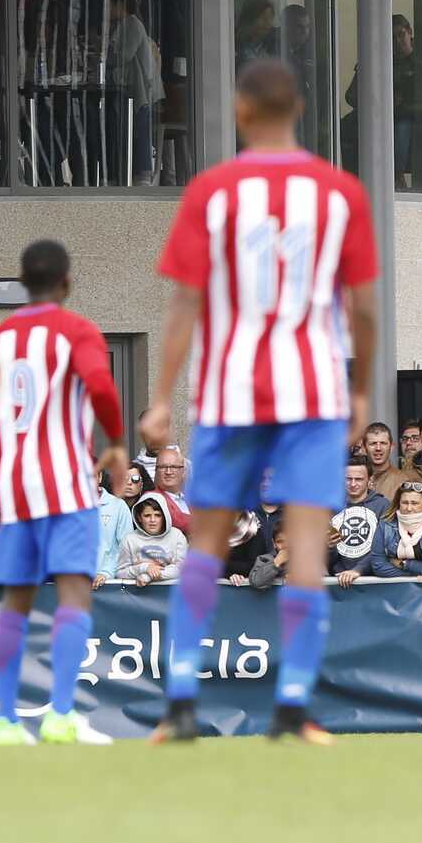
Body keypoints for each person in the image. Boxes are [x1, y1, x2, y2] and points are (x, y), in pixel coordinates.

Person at [138, 58, 380, 747]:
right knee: (304, 549)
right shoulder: (339, 193)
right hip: (312, 391)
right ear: (299, 108)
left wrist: (159, 398)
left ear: (241, 111)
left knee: (206, 546)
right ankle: (294, 705)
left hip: (232, 391)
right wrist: (361, 387)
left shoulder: (213, 191)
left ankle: (180, 705)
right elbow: (365, 308)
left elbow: (184, 303)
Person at [0, 235, 126, 745]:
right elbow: (100, 385)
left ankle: (7, 722)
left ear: (22, 283)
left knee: (16, 602)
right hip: (68, 485)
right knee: (73, 594)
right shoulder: (77, 331)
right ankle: (60, 714)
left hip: (15, 491)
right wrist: (117, 442)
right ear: (67, 282)